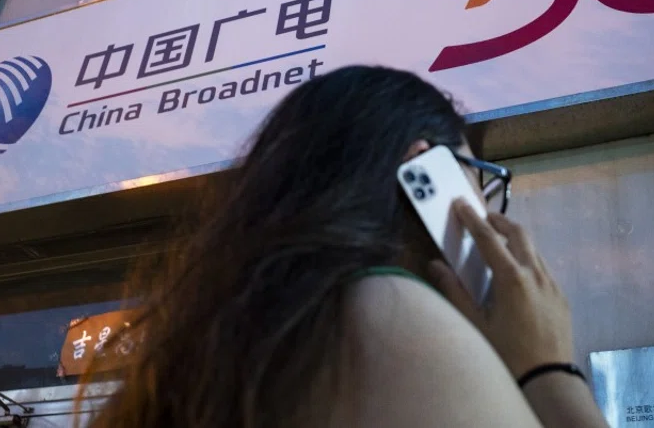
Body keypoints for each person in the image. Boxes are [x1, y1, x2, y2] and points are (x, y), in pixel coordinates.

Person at [83, 66, 610, 428]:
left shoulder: (226, 339)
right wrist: (548, 369)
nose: (488, 210)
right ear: (424, 169)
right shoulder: (389, 311)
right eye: (477, 177)